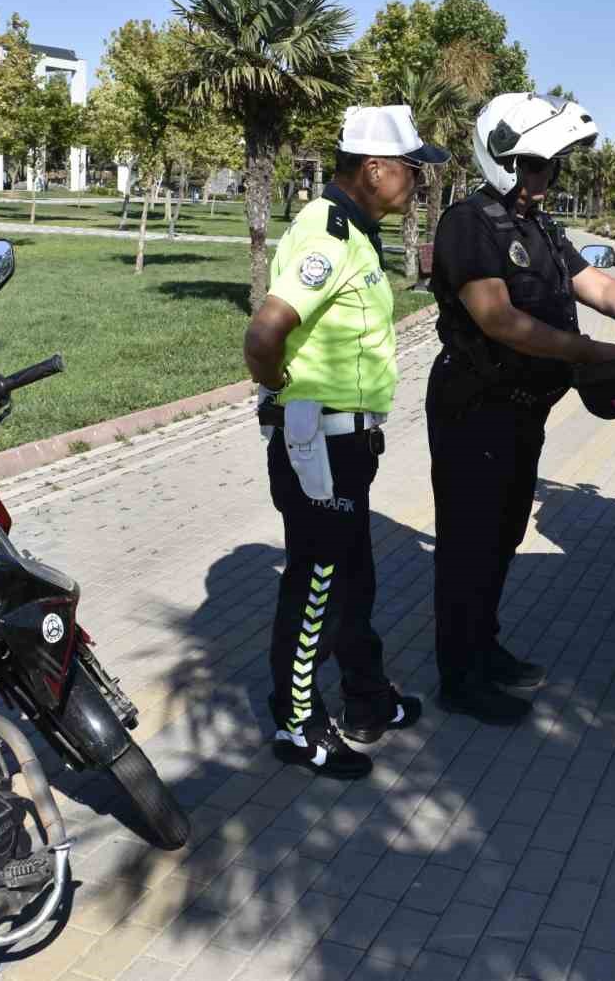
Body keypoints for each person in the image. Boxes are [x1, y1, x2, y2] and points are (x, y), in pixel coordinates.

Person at [426, 93, 615, 725]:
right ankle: (459, 677)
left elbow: (595, 283)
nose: (548, 178)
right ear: (503, 162)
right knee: (469, 544)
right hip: (475, 408)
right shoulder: (468, 224)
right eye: (537, 165)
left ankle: (484, 647)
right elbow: (498, 319)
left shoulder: (537, 225)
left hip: (521, 411)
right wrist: (588, 351)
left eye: (552, 166)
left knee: (502, 536)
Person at [242, 105, 449, 779]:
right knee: (318, 588)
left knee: (354, 580)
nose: (418, 181)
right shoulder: (327, 234)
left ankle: (367, 697)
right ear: (376, 168)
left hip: (346, 446)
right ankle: (296, 724)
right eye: (413, 169)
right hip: (320, 447)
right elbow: (264, 334)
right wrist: (283, 397)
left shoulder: (356, 231)